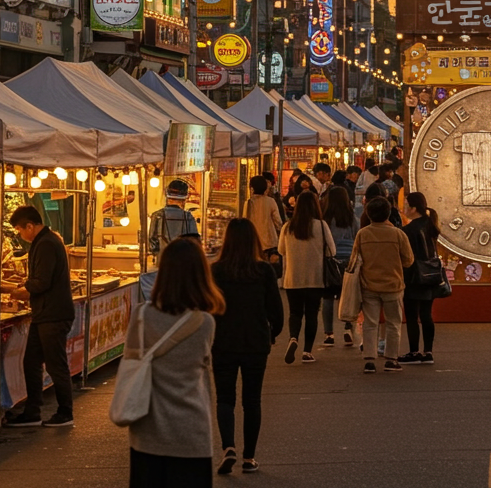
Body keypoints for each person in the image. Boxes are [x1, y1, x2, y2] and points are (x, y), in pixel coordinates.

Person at [126, 238, 223, 488]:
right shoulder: (205, 323)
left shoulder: (141, 316)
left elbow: (131, 361)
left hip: (147, 430)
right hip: (192, 431)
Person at [210, 219, 283, 475]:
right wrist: (272, 334)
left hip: (223, 342)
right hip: (255, 342)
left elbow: (208, 309)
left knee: (225, 398)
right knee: (252, 400)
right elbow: (276, 311)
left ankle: (228, 446)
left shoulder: (216, 271)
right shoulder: (263, 271)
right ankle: (249, 457)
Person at [5, 205, 76, 427]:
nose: (19, 234)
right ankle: (32, 411)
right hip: (44, 313)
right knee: (31, 361)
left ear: (29, 225)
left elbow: (42, 282)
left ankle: (65, 412)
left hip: (53, 314)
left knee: (56, 365)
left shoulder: (46, 243)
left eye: (19, 229)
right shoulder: (45, 240)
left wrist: (21, 289)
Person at [354, 196, 415, 373]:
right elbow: (409, 260)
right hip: (393, 285)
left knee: (370, 323)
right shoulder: (398, 234)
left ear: (369, 214)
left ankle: (369, 359)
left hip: (369, 285)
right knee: (393, 323)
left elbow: (355, 259)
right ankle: (391, 359)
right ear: (388, 214)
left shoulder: (362, 234)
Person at [278, 191, 335, 364]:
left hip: (293, 278)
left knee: (295, 313)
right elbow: (332, 251)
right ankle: (307, 351)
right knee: (311, 314)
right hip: (315, 278)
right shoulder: (321, 225)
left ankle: (293, 338)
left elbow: (281, 250)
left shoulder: (288, 227)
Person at [400, 192, 443, 364]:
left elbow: (406, 255)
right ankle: (428, 352)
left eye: (405, 205)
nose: (403, 209)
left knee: (411, 315)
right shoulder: (430, 224)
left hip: (413, 276)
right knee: (426, 314)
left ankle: (414, 351)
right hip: (431, 274)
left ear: (413, 208)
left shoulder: (409, 230)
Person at [318, 185, 358, 348]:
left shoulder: (325, 219)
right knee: (346, 296)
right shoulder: (352, 218)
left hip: (330, 259)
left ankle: (329, 334)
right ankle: (348, 328)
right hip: (349, 259)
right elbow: (357, 237)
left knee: (328, 297)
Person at [244, 175, 283, 272]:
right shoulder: (270, 201)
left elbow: (245, 222)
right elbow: (278, 222)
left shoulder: (248, 203)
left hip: (254, 243)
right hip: (270, 242)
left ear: (252, 188)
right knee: (269, 269)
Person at [149, 179, 199, 255]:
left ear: (167, 195)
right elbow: (195, 242)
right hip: (184, 260)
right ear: (185, 198)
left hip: (163, 260)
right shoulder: (188, 217)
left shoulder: (157, 216)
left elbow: (152, 243)